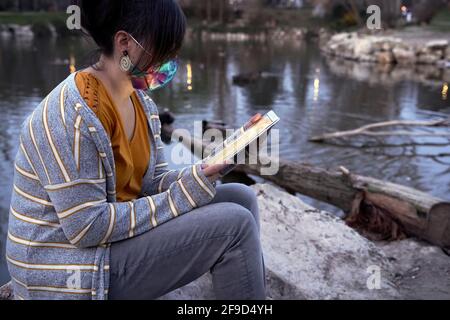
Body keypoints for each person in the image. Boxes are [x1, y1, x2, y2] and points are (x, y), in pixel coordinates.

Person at [6, 0, 266, 300]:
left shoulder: (141, 104)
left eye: (173, 50)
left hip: (108, 244)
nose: (170, 59)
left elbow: (153, 185)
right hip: (67, 269)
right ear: (124, 44)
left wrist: (210, 167)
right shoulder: (73, 114)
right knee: (234, 226)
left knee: (241, 197)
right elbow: (86, 227)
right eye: (163, 49)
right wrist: (185, 195)